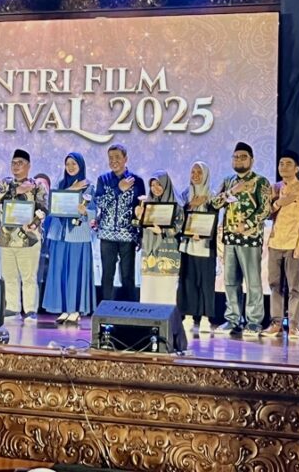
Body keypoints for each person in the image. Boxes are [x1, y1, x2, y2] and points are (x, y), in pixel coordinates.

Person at [211, 141, 270, 337]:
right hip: (229, 238)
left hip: (250, 238)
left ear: (251, 160)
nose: (239, 160)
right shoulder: (228, 181)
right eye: (236, 157)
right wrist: (232, 192)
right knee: (230, 281)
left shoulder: (260, 182)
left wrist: (248, 224)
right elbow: (214, 203)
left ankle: (254, 322)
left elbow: (265, 209)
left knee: (252, 282)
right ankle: (232, 319)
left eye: (243, 157)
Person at [0, 149, 48, 321]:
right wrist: (17, 190)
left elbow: (44, 208)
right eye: (13, 163)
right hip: (7, 238)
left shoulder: (37, 186)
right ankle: (12, 307)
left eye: (20, 163)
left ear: (28, 166)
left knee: (28, 276)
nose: (16, 166)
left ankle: (30, 309)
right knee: (9, 275)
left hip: (29, 238)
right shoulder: (5, 183)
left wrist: (34, 224)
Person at [263, 151, 299, 340]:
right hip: (275, 241)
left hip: (293, 243)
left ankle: (293, 326)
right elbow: (265, 214)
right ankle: (276, 323)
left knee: (294, 287)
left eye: (288, 163)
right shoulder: (274, 188)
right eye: (281, 163)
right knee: (275, 285)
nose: (283, 167)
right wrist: (278, 203)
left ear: (297, 168)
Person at [43, 152, 96, 325]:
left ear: (81, 165)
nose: (71, 167)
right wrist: (71, 190)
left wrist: (85, 212)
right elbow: (53, 204)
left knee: (74, 272)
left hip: (77, 236)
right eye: (68, 164)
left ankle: (74, 310)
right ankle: (64, 309)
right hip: (59, 234)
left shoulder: (88, 187)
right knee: (59, 271)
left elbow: (94, 213)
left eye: (74, 164)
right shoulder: (60, 184)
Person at [92, 144, 144, 302]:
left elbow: (141, 211)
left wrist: (140, 235)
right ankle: (105, 310)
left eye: (117, 157)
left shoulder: (137, 181)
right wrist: (118, 189)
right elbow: (99, 203)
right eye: (110, 158)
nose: (113, 161)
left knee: (128, 276)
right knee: (107, 275)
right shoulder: (103, 179)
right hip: (107, 235)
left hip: (128, 235)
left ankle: (130, 310)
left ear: (125, 159)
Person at [176, 162, 217, 337]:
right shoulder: (185, 194)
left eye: (199, 172)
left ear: (205, 174)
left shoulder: (212, 195)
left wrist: (204, 233)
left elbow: (215, 219)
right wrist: (191, 205)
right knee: (188, 281)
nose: (195, 175)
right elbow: (178, 216)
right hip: (188, 245)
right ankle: (188, 316)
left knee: (206, 283)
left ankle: (206, 318)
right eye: (193, 172)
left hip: (205, 246)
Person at [137, 171, 180, 304]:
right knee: (149, 289)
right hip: (149, 251)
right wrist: (139, 217)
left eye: (159, 184)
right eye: (152, 185)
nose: (155, 188)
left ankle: (166, 317)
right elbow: (141, 227)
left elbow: (178, 226)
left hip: (168, 252)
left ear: (166, 184)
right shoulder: (147, 205)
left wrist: (162, 231)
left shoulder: (177, 205)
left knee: (166, 290)